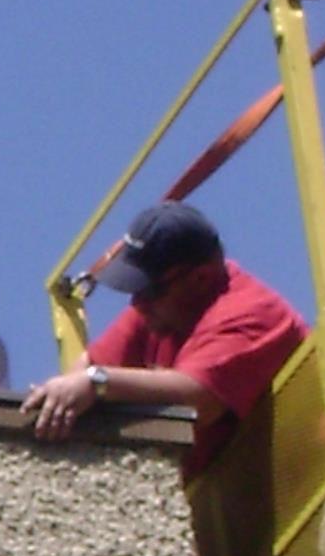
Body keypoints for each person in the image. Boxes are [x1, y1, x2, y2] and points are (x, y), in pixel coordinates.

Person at [23, 202, 308, 481]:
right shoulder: (161, 308)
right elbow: (88, 366)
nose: (137, 302)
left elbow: (198, 399)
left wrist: (96, 383)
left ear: (200, 279)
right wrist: (64, 397)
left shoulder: (250, 313)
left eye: (148, 290)